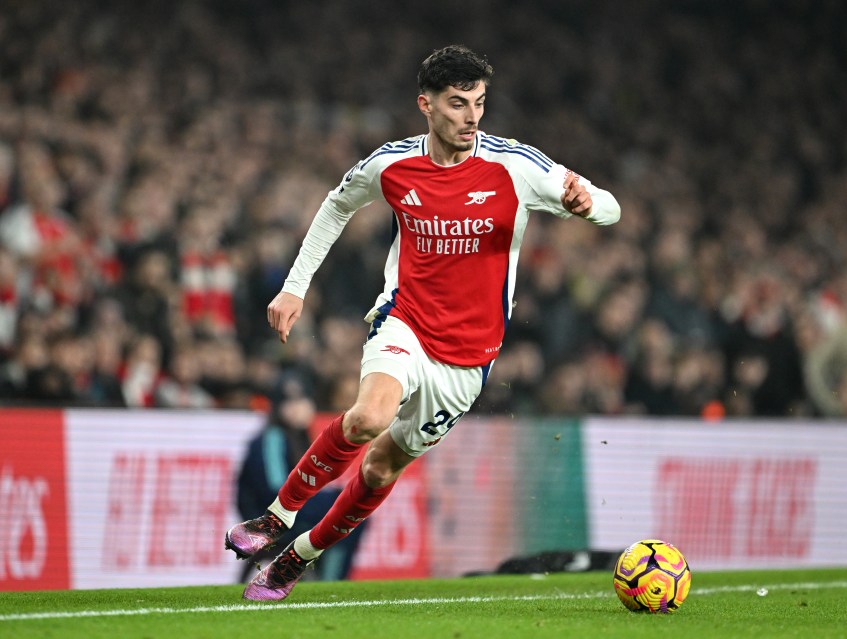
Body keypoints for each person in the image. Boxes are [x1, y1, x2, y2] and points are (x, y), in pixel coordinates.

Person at [224, 44, 620, 601]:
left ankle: (297, 557)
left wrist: (587, 203)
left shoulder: (516, 167)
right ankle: (275, 516)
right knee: (367, 418)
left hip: (469, 360)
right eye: (458, 104)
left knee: (381, 470)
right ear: (426, 105)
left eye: (479, 103)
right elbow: (337, 204)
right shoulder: (393, 164)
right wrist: (294, 286)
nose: (472, 117)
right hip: (404, 321)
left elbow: (611, 207)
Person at [234, 371, 365, 583]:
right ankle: (330, 582)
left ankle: (331, 578)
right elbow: (274, 489)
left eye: (302, 400)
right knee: (348, 510)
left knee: (351, 508)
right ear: (276, 407)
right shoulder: (272, 437)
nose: (297, 408)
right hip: (270, 517)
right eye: (289, 402)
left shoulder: (300, 437)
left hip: (292, 512)